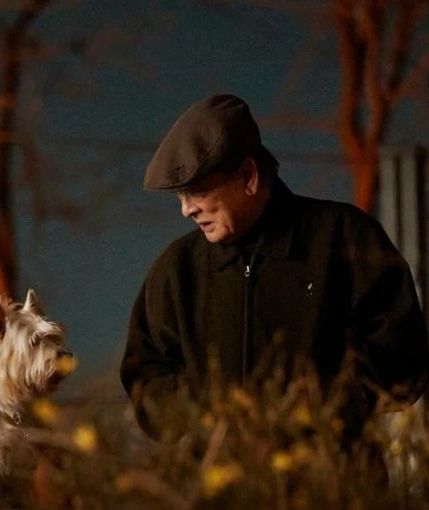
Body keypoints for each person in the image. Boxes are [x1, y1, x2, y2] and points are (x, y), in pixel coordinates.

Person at [121, 94, 429, 452]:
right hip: (216, 481)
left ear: (248, 177)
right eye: (180, 196)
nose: (186, 210)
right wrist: (206, 416)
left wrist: (310, 413)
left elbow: (401, 358)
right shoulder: (176, 270)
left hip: (330, 481)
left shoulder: (344, 238)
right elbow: (146, 374)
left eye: (199, 191)